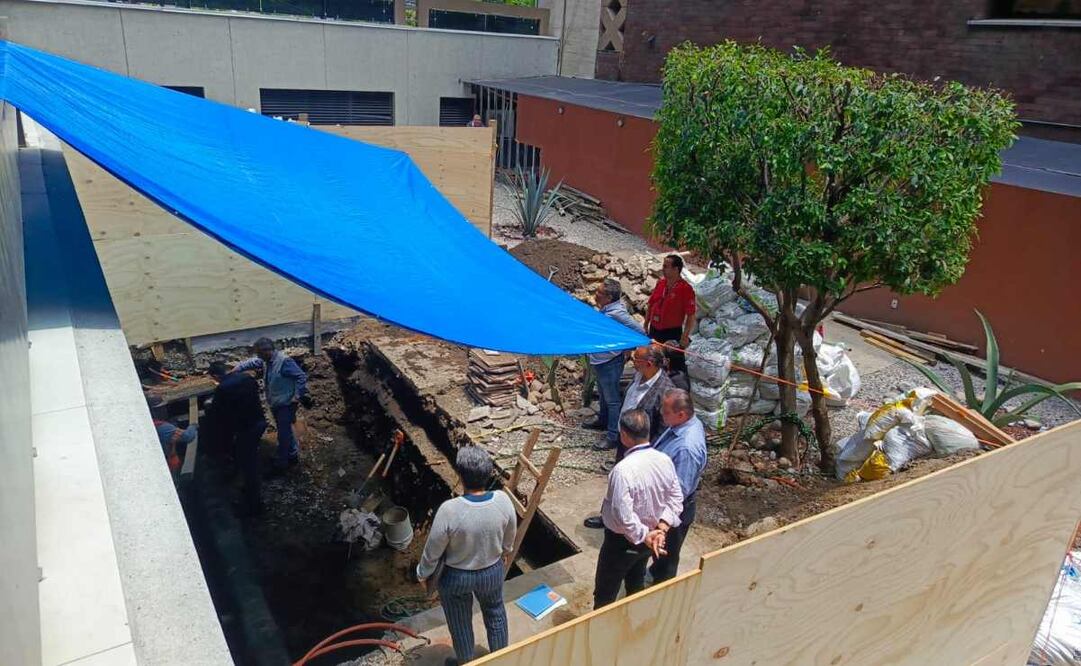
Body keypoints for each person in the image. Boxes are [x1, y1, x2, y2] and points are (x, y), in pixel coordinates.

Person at [417, 447, 516, 665]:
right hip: (492, 570)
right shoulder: (503, 500)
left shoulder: (449, 510)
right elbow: (510, 534)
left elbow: (432, 551)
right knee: (495, 612)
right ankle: (501, 659)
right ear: (489, 473)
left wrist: (422, 574)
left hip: (456, 577)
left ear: (460, 476)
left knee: (460, 623)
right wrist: (506, 551)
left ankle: (466, 662)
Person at [593, 409, 683, 610]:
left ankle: (600, 632)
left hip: (622, 541)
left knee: (605, 591)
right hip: (651, 536)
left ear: (624, 435)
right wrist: (661, 528)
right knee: (636, 579)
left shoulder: (623, 471)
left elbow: (623, 516)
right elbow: (676, 498)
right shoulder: (664, 460)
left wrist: (646, 535)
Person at [585, 344, 674, 528]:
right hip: (625, 439)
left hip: (641, 449)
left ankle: (631, 524)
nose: (632, 362)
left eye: (636, 360)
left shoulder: (664, 391)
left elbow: (663, 430)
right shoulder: (639, 375)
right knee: (616, 481)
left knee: (633, 487)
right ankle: (608, 516)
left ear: (649, 363)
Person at [649, 388, 707, 583]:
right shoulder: (682, 425)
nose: (661, 414)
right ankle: (655, 573)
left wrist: (664, 522)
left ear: (681, 414)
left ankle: (662, 588)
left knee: (667, 553)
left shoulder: (686, 448)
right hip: (667, 503)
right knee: (662, 553)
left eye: (665, 411)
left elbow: (679, 492)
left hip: (675, 510)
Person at [233, 338, 313, 472]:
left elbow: (301, 377)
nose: (258, 356)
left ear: (267, 351)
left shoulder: (284, 362)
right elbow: (254, 362)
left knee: (283, 434)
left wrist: (297, 396)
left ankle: (282, 463)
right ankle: (292, 454)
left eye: (259, 353)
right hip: (277, 402)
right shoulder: (267, 360)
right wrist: (238, 368)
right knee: (285, 431)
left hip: (286, 404)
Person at [583, 278, 644, 449]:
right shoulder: (608, 310)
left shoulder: (616, 314)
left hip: (610, 362)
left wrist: (627, 348)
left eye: (599, 293)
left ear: (609, 297)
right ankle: (603, 420)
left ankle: (612, 436)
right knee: (603, 394)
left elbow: (640, 332)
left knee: (612, 400)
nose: (595, 295)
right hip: (601, 359)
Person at [206, 361, 268, 514]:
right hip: (259, 422)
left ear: (215, 376)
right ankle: (249, 490)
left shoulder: (223, 388)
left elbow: (217, 414)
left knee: (249, 464)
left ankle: (254, 506)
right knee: (248, 457)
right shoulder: (247, 378)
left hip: (245, 430)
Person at [646, 254, 696, 376]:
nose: (663, 269)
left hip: (671, 332)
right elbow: (651, 304)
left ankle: (678, 386)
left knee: (674, 362)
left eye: (666, 266)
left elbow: (691, 315)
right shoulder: (661, 283)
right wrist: (646, 323)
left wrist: (685, 336)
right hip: (655, 329)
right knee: (653, 358)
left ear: (676, 269)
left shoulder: (685, 289)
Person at [147, 394, 196, 472]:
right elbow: (188, 436)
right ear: (154, 411)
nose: (164, 410)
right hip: (168, 466)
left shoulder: (147, 424)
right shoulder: (164, 428)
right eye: (161, 408)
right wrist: (193, 426)